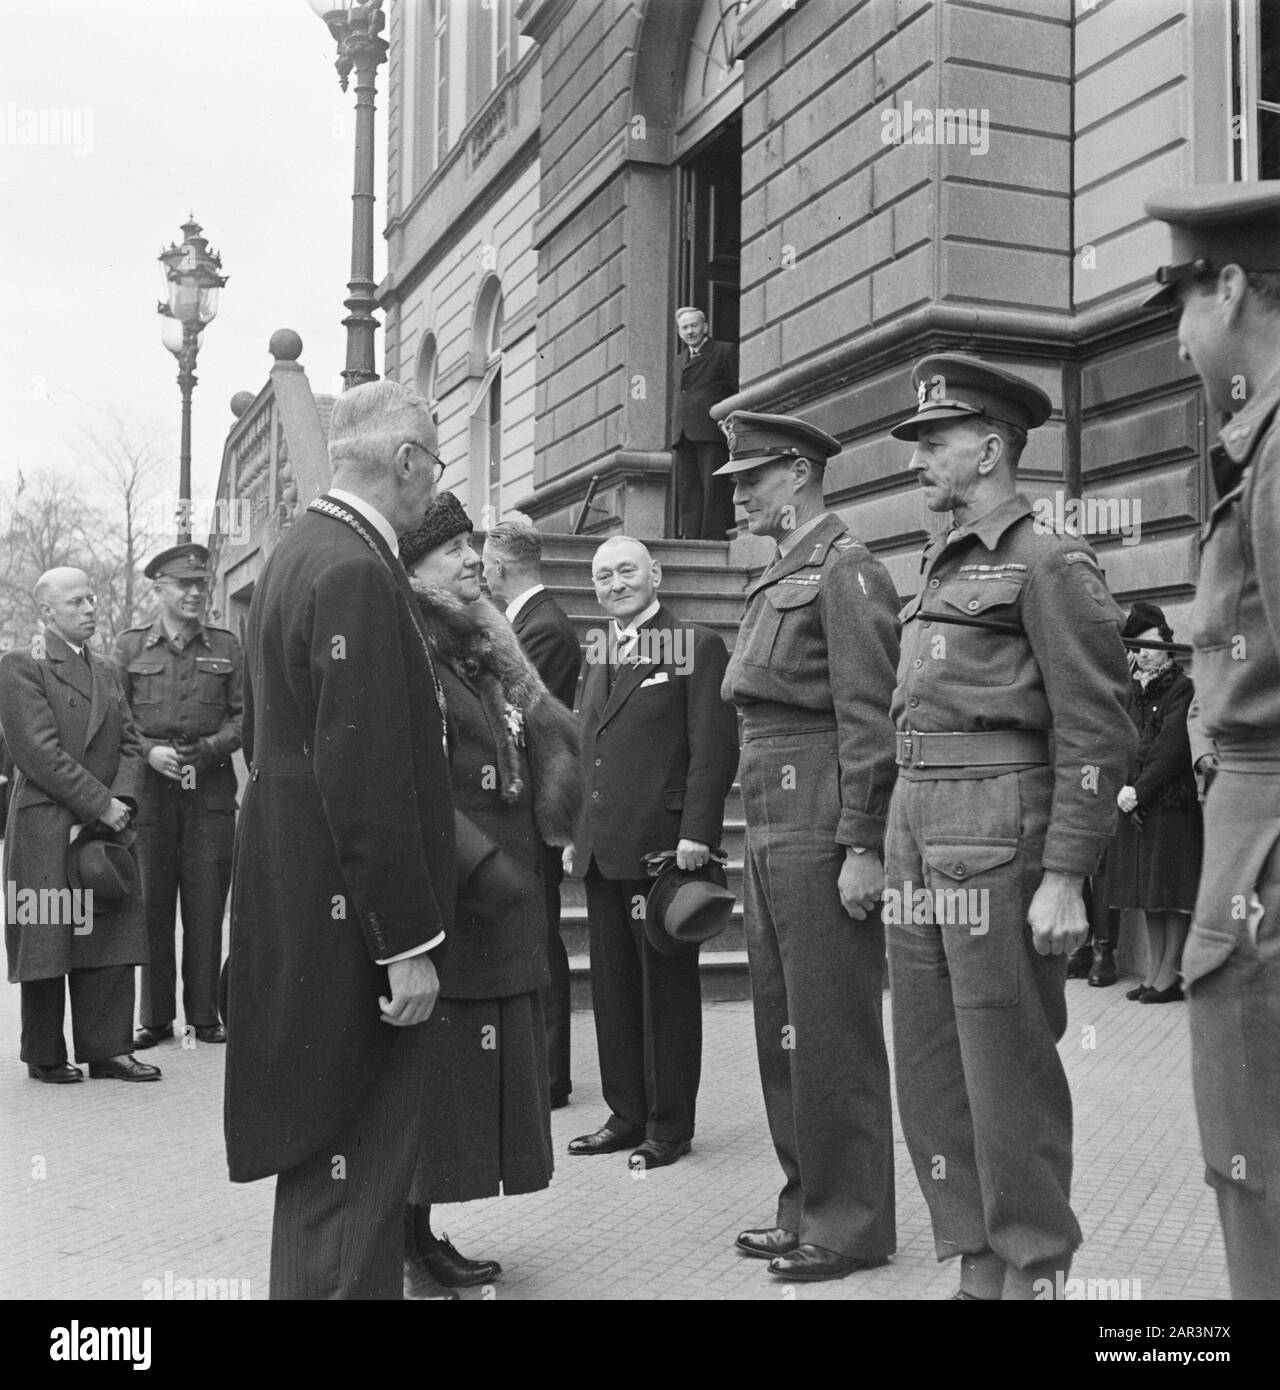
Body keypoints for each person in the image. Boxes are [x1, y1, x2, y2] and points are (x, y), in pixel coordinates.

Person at [885, 354, 1135, 1300]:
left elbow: (1098, 722)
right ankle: (976, 1266)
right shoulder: (938, 560)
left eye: (935, 442)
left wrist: (1066, 873)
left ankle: (1034, 1273)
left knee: (1006, 1074)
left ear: (989, 449)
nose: (920, 460)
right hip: (921, 830)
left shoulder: (1050, 558)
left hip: (997, 834)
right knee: (933, 1071)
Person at [223, 380, 456, 1300]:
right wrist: (404, 944)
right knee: (355, 1166)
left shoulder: (299, 552)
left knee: (326, 1171)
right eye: (432, 465)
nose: (431, 484)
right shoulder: (358, 567)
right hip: (352, 927)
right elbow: (362, 780)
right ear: (405, 462)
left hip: (301, 898)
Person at [716, 412, 899, 1282]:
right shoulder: (781, 572)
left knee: (831, 1029)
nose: (740, 494)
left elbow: (872, 718)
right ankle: (805, 1203)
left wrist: (863, 842)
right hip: (770, 810)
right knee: (780, 1023)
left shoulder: (848, 569)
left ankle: (854, 1222)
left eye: (752, 478)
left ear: (799, 473)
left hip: (820, 814)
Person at [1144, 180, 1280, 1298]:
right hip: (1249, 823)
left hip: (1265, 841)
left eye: (1181, 304)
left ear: (1230, 287)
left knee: (1257, 1157)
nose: (1178, 340)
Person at [400, 494, 581, 1295]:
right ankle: (405, 1239)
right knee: (432, 1081)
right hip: (459, 899)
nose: (473, 560)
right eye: (452, 553)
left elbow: (533, 736)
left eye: (474, 546)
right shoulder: (409, 646)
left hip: (499, 899)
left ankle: (421, 1230)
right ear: (414, 572)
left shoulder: (478, 642)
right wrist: (483, 866)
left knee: (461, 1083)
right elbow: (408, 783)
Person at [567, 536, 738, 1170]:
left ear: (656, 573)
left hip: (664, 852)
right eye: (604, 575)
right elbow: (590, 748)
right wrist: (575, 833)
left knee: (663, 991)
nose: (615, 583)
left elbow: (712, 747)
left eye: (627, 571)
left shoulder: (695, 644)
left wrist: (698, 831)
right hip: (604, 848)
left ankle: (669, 1125)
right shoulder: (598, 647)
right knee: (612, 990)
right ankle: (626, 1113)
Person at [1, 568, 159, 1084]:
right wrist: (98, 803)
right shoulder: (21, 667)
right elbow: (38, 752)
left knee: (107, 930)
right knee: (49, 934)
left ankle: (108, 1049)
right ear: (47, 612)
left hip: (104, 823)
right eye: (76, 602)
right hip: (48, 824)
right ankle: (44, 1053)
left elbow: (132, 743)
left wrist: (120, 802)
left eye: (92, 598)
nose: (91, 607)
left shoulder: (108, 670)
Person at [111, 542, 243, 1049]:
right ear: (159, 589)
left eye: (200, 584)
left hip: (207, 792)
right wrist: (148, 752)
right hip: (152, 794)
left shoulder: (228, 647)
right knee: (150, 907)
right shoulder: (129, 649)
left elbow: (244, 717)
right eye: (183, 584)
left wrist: (206, 751)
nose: (194, 592)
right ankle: (156, 1017)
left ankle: (204, 1016)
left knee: (207, 905)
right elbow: (116, 720)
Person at [482, 519, 582, 1111]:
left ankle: (550, 1075)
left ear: (500, 565)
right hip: (531, 795)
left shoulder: (542, 627)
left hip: (541, 796)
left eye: (486, 565)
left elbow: (520, 706)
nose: (483, 573)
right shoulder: (531, 619)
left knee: (543, 940)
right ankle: (539, 1068)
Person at [1104, 602, 1202, 1005]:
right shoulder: (1132, 689)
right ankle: (1155, 973)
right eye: (1136, 646)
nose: (1142, 653)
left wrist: (1138, 791)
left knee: (1171, 894)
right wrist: (1124, 788)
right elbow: (1122, 737)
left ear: (1167, 644)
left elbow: (1171, 748)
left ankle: (1169, 976)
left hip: (1170, 804)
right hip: (1137, 805)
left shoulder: (1182, 686)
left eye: (1148, 645)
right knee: (1149, 892)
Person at [671, 307, 738, 540]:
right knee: (688, 489)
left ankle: (711, 538)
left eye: (694, 325)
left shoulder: (724, 351)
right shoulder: (679, 360)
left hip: (711, 431)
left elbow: (735, 390)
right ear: (679, 332)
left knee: (713, 487)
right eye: (684, 327)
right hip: (683, 433)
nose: (690, 331)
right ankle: (692, 538)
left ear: (705, 327)